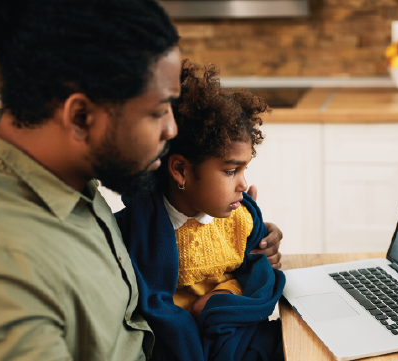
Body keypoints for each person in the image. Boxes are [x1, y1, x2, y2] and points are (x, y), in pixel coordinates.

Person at [0, 1, 282, 359]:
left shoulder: (63, 175)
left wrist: (244, 237)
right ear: (81, 117)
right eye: (158, 111)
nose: (171, 128)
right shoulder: (0, 266)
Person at [115, 60, 285, 361]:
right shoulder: (140, 229)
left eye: (245, 169)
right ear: (180, 170)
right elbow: (149, 304)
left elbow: (256, 273)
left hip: (236, 336)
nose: (243, 184)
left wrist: (224, 297)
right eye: (231, 171)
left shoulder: (240, 219)